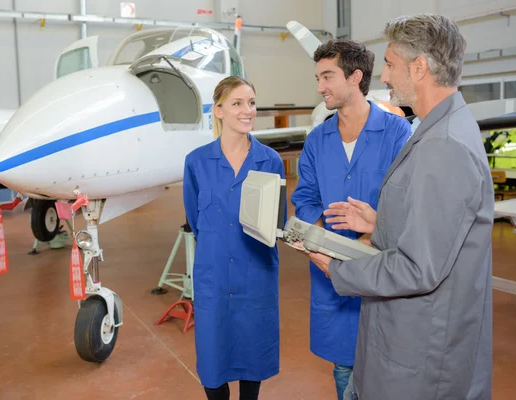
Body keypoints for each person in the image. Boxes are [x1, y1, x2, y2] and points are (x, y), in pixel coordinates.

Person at [310, 14, 494, 400]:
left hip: (422, 357)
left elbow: (418, 267)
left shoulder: (444, 146)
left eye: (391, 65)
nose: (386, 77)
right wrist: (380, 223)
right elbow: (436, 232)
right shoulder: (437, 129)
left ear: (419, 67)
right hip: (412, 339)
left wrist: (342, 267)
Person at [290, 39, 411, 400]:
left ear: (355, 77)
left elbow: (409, 201)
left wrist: (374, 230)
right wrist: (328, 238)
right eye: (317, 77)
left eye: (327, 76)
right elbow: (305, 198)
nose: (319, 87)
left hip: (383, 275)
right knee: (345, 372)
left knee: (388, 373)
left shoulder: (396, 134)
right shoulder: (316, 140)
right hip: (333, 277)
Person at [183, 75, 286, 400]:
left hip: (255, 274)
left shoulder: (269, 160)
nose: (247, 111)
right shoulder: (197, 162)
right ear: (218, 111)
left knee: (252, 362)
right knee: (213, 370)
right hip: (214, 277)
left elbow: (277, 222)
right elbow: (195, 220)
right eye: (237, 103)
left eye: (252, 103)